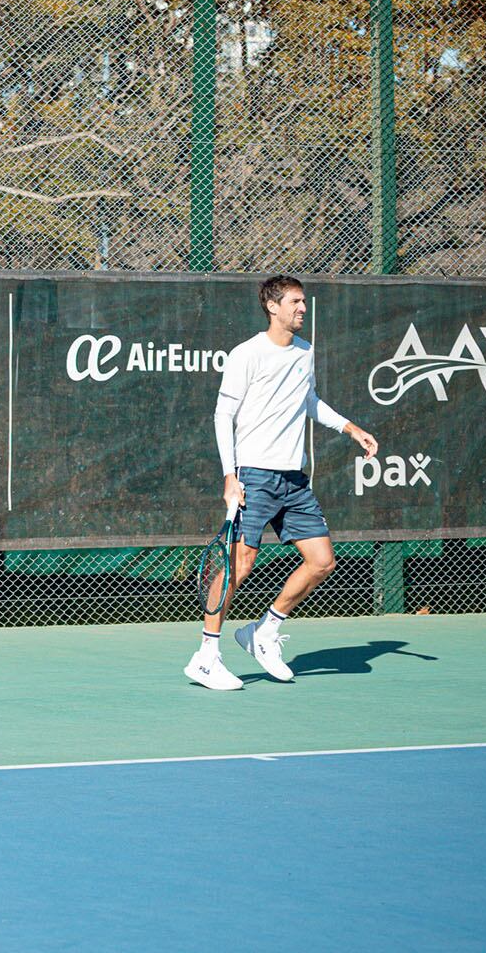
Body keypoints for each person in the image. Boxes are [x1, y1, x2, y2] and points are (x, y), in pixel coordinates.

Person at [188, 275, 379, 690]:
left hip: (294, 478)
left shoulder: (305, 352)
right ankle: (206, 656)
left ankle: (264, 631)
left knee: (322, 561)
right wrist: (230, 475)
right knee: (240, 563)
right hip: (254, 473)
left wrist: (350, 428)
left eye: (304, 302)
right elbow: (224, 416)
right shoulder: (247, 354)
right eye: (294, 302)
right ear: (272, 306)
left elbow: (308, 401)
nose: (302, 309)